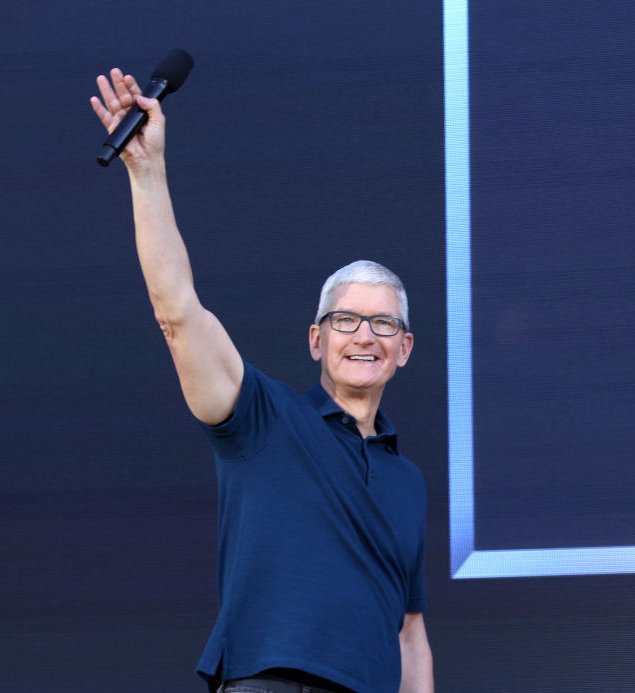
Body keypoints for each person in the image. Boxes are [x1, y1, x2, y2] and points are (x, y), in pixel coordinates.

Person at [91, 68, 434, 693]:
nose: (364, 335)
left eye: (383, 323)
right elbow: (178, 312)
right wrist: (147, 172)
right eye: (346, 320)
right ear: (316, 339)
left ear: (404, 348)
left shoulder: (408, 481)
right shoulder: (264, 420)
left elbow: (410, 632)